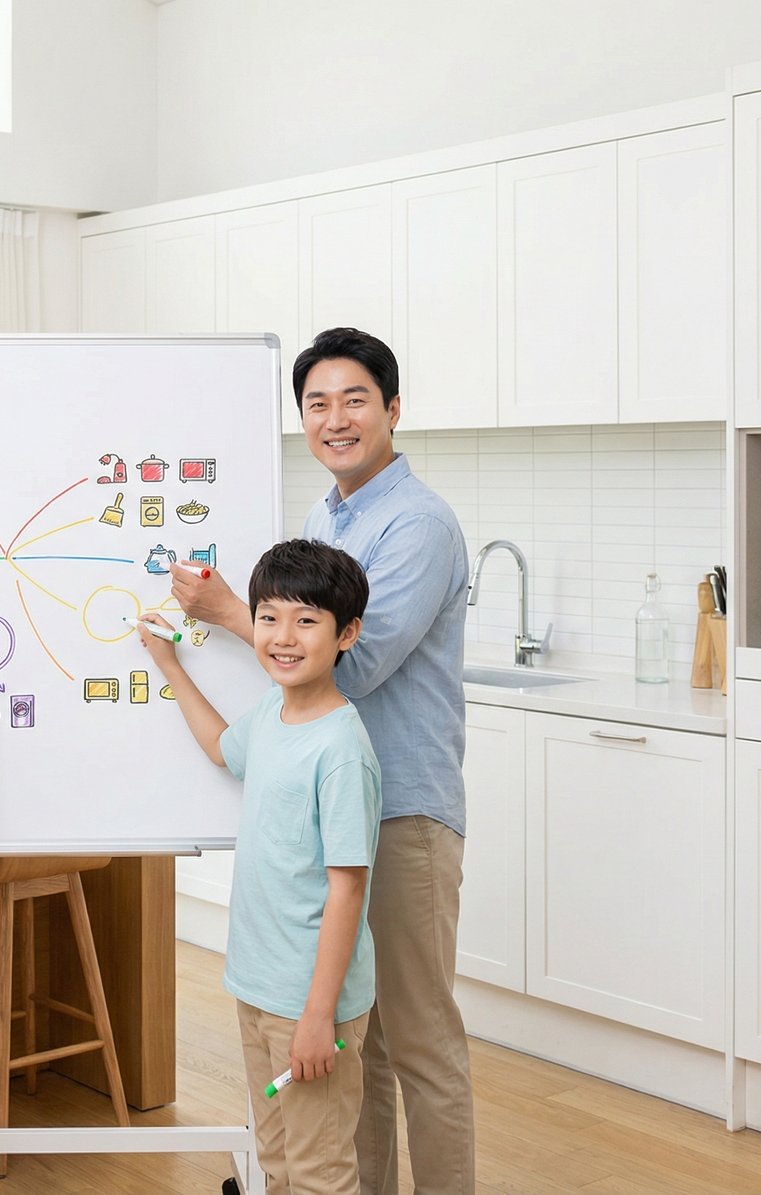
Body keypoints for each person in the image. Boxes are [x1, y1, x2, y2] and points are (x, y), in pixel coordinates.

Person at [172, 327, 473, 1195]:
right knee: (354, 1039)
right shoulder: (327, 514)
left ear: (393, 410)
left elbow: (361, 657)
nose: (335, 419)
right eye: (317, 403)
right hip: (325, 819)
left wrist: (235, 610)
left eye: (355, 400)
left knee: (420, 1042)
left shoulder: (418, 523)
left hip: (403, 806)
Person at [138, 538, 380, 1195]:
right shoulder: (274, 712)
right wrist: (170, 664)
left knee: (319, 1170)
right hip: (259, 985)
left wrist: (318, 1017)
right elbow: (223, 747)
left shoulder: (341, 749)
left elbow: (347, 888)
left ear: (347, 634)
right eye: (269, 616)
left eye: (307, 621)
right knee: (275, 1160)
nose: (282, 636)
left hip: (309, 1003)